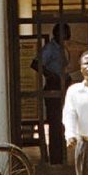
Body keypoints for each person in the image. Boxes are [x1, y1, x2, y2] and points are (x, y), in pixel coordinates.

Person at [35, 23, 70, 165]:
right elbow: (36, 63)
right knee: (55, 123)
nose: (69, 34)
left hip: (62, 86)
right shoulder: (50, 48)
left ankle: (61, 155)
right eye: (66, 31)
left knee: (62, 122)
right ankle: (55, 157)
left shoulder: (62, 47)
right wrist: (53, 76)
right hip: (53, 86)